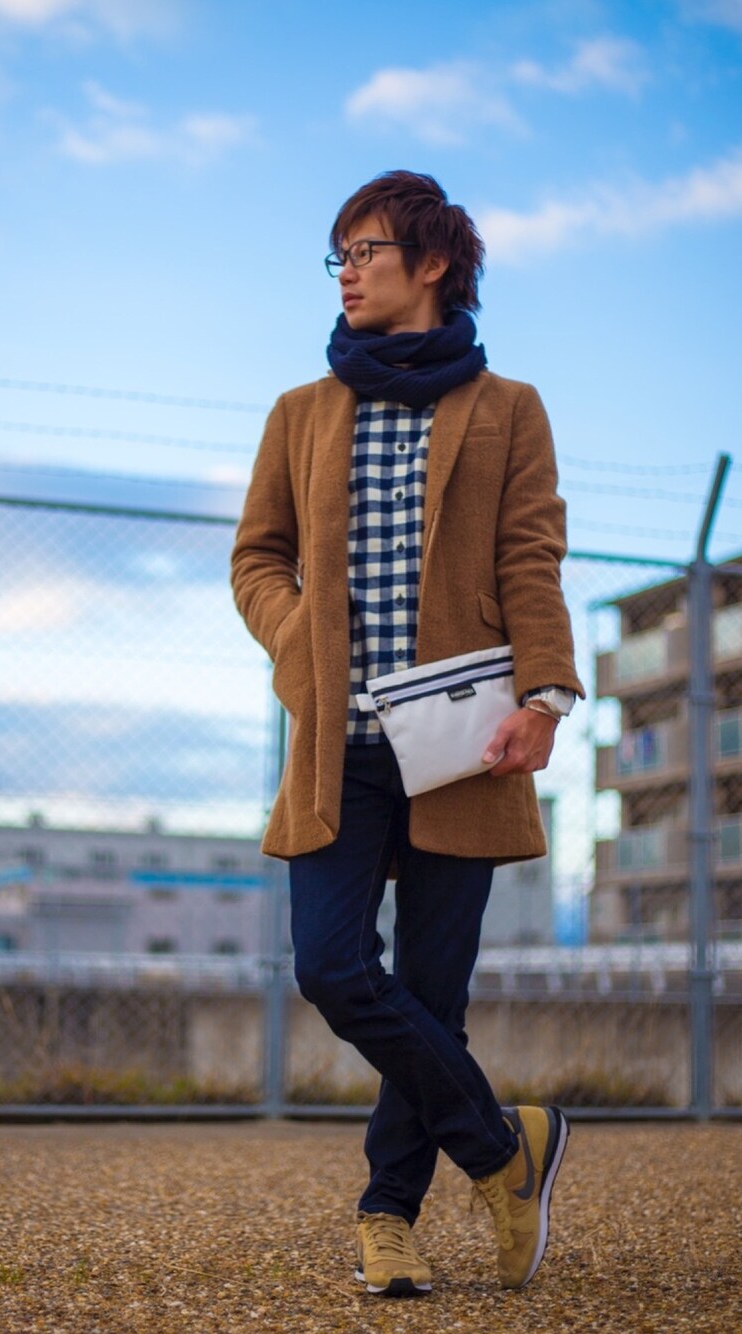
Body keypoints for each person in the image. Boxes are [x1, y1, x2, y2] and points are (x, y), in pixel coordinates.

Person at [230, 170, 584, 1297]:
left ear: (432, 264)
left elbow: (529, 558)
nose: (345, 271)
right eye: (337, 254)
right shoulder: (299, 412)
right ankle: (503, 1147)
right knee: (333, 966)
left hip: (464, 742)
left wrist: (546, 697)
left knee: (432, 994)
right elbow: (257, 557)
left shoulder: (509, 408)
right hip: (339, 741)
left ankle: (387, 1217)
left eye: (365, 250)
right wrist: (298, 641)